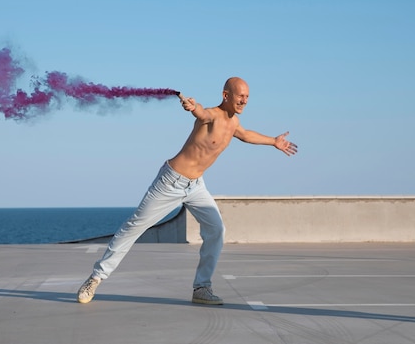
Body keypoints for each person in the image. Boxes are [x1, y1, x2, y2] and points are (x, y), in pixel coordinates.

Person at [77, 77, 297, 305]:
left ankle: (202, 288)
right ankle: (95, 278)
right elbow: (201, 113)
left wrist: (273, 141)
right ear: (226, 95)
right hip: (170, 182)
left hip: (196, 186)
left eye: (247, 97)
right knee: (134, 227)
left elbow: (246, 134)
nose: (244, 100)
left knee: (216, 230)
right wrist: (193, 107)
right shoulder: (211, 115)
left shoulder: (234, 123)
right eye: (240, 95)